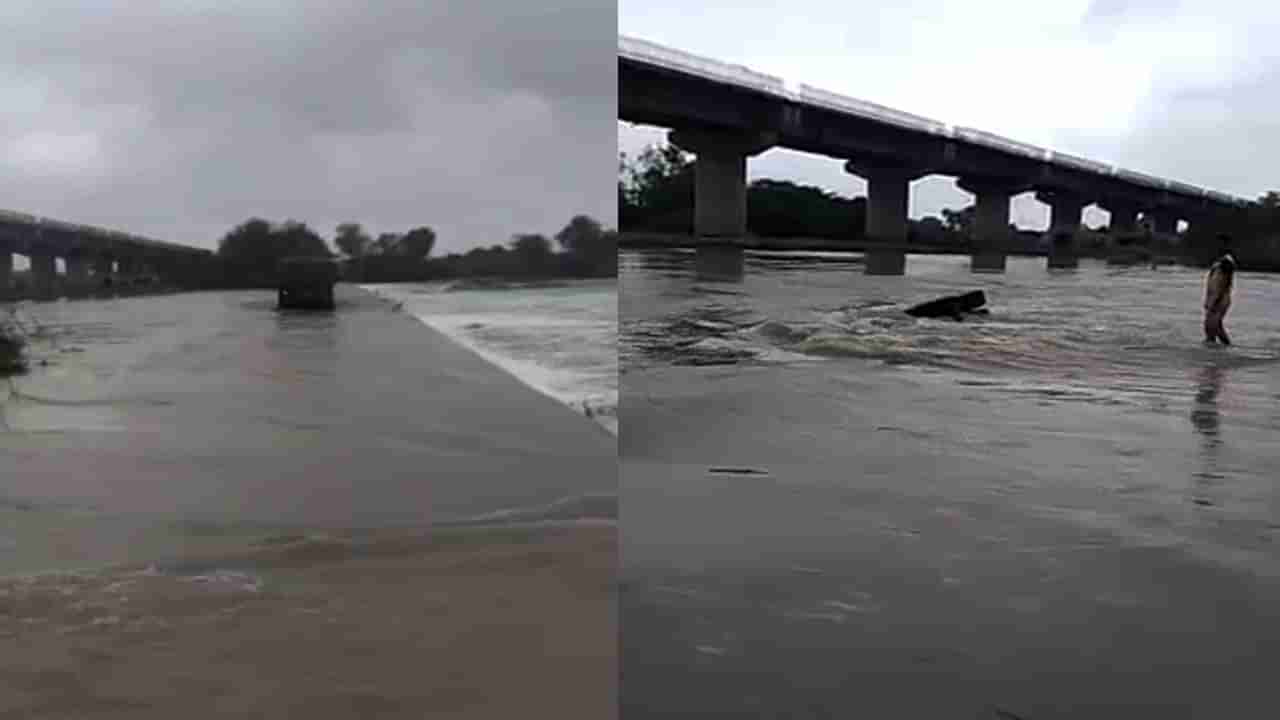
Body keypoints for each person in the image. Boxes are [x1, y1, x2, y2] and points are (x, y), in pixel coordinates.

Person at [1203, 241, 1236, 345]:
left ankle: (1224, 344)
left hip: (1221, 297)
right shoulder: (1218, 262)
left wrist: (1217, 298)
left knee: (1214, 325)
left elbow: (1224, 282)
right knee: (1210, 325)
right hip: (1214, 296)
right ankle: (1212, 344)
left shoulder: (1226, 261)